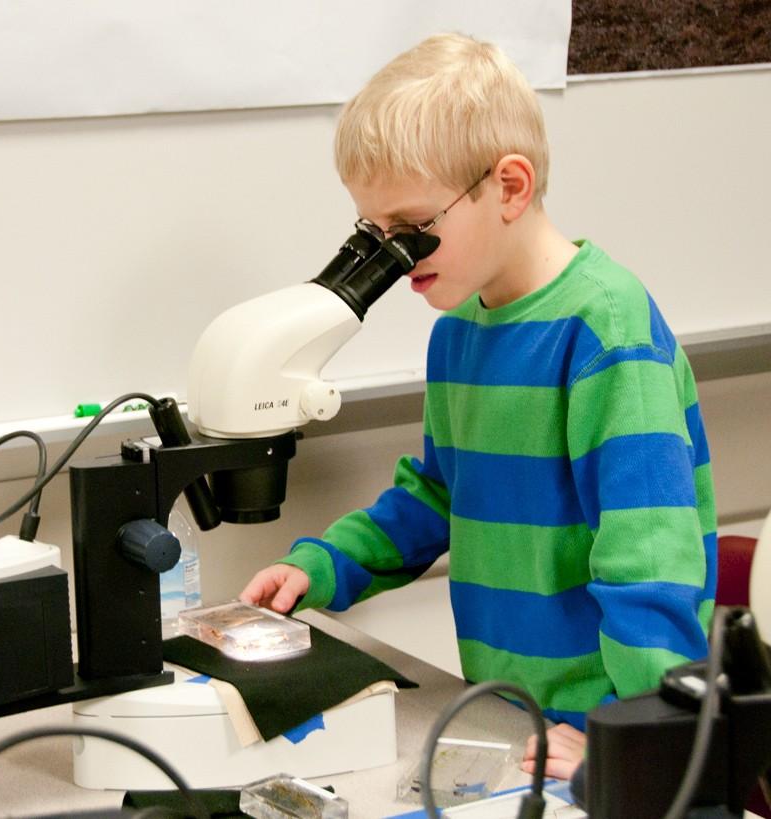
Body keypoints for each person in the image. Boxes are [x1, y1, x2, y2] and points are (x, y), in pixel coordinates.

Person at [240, 32, 716, 779]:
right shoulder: (460, 331)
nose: (395, 259)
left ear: (511, 187)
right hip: (509, 717)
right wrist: (326, 566)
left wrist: (640, 743)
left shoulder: (605, 330)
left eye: (413, 228)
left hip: (605, 732)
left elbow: (649, 562)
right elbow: (437, 496)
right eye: (376, 233)